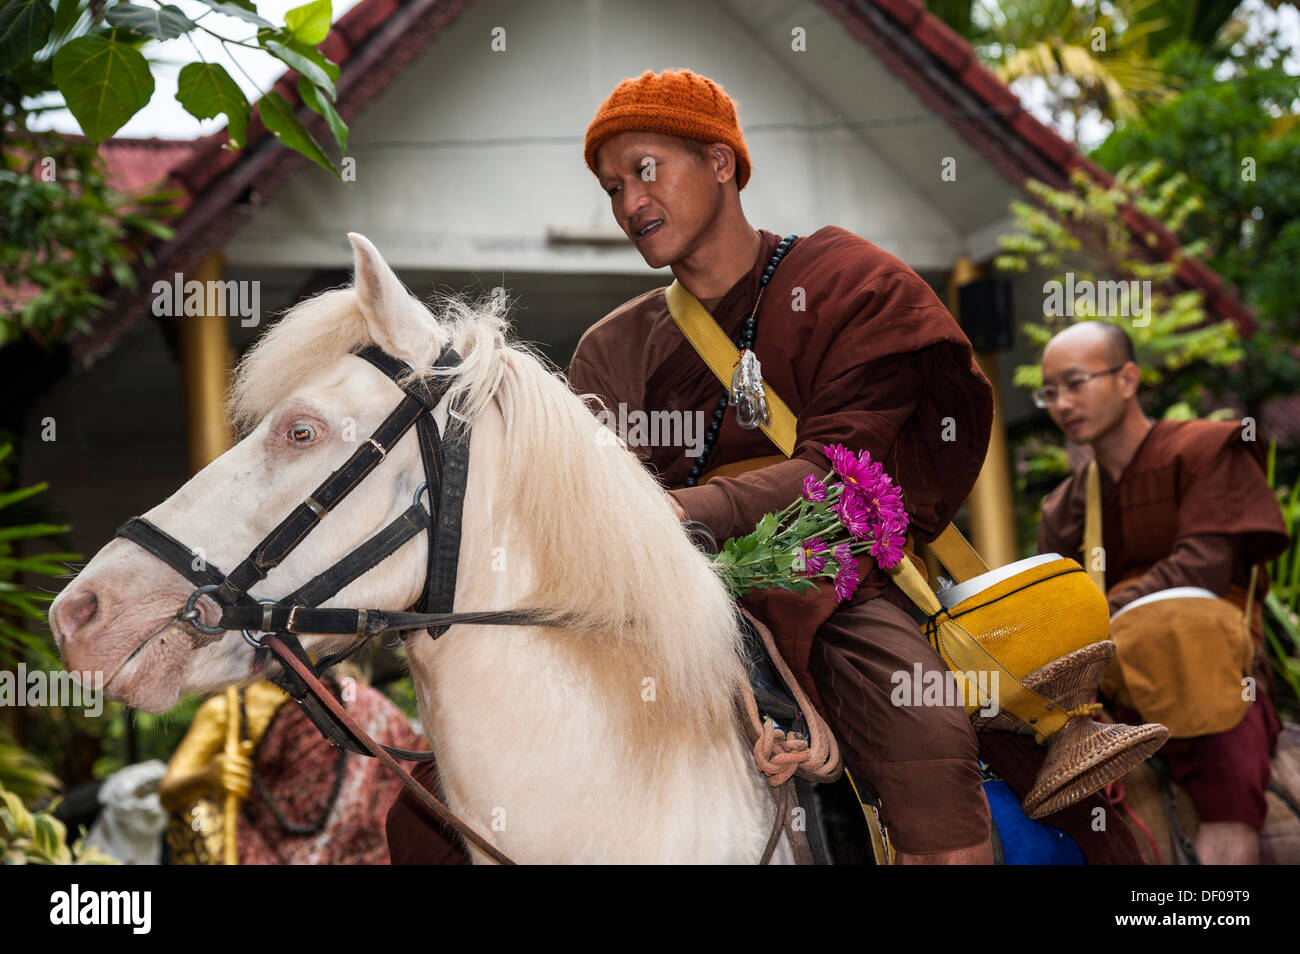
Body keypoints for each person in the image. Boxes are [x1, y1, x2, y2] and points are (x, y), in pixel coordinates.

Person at [565, 68, 999, 863]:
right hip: (663, 615)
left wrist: (687, 511)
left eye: (646, 170)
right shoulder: (611, 349)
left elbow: (846, 478)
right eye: (611, 187)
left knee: (925, 728)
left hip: (831, 590)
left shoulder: (849, 283)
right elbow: (593, 513)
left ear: (722, 162)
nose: (629, 204)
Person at [1035, 320, 1290, 864]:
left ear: (1127, 378)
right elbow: (1055, 606)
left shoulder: (1204, 449)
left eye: (1075, 382)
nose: (1061, 402)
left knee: (1228, 781)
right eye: (1049, 391)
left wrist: (1104, 609)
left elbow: (1204, 565)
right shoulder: (1065, 506)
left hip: (1208, 667)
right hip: (1111, 685)